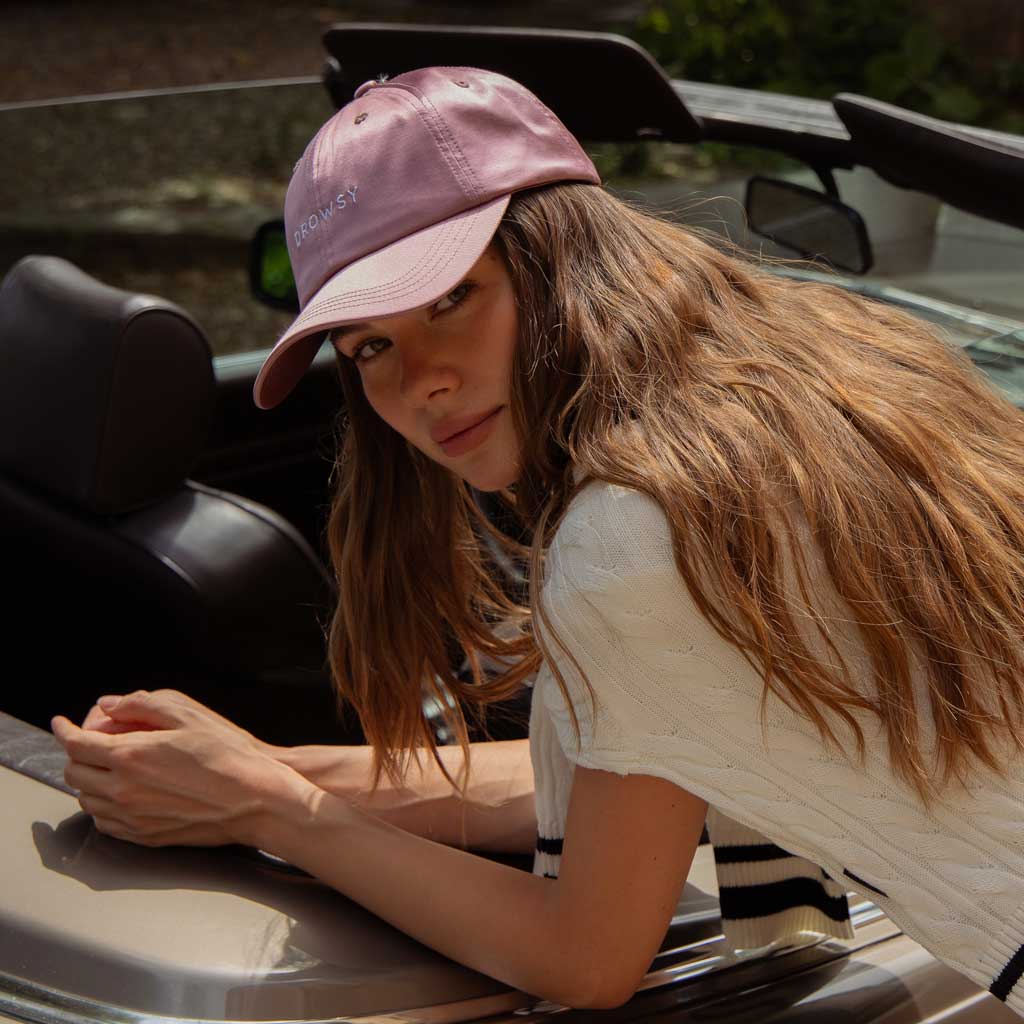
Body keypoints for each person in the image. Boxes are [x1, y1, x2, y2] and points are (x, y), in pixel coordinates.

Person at [51, 66, 1024, 1014]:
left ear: (556, 251)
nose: (420, 379)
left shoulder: (629, 539)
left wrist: (270, 811)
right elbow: (621, 768)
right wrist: (255, 770)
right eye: (370, 347)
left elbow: (585, 954)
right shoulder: (821, 365)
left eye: (450, 298)